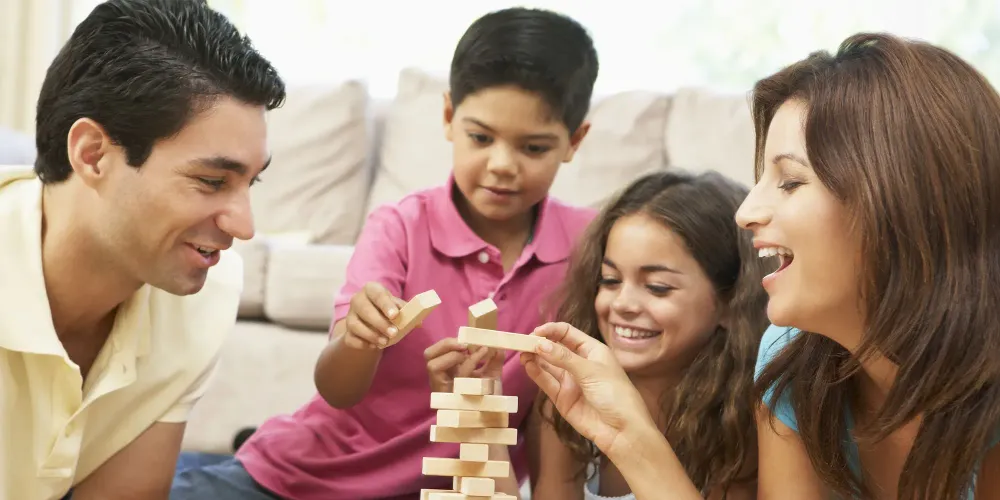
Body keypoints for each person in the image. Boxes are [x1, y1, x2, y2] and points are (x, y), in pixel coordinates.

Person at [521, 32, 1000, 500]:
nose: (746, 211)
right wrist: (627, 433)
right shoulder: (792, 359)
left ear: (900, 202)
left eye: (790, 181)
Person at [170, 7, 599, 499]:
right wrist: (359, 339)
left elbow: (557, 429)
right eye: (481, 137)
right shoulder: (399, 228)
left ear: (574, 141)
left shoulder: (585, 248)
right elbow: (338, 389)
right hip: (301, 479)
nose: (502, 165)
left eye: (534, 148)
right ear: (447, 118)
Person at [0, 0, 285, 499]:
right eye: (211, 180)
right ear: (93, 155)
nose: (244, 226)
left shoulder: (206, 293)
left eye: (250, 183)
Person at [530, 170, 769, 500]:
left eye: (658, 288)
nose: (623, 304)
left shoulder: (740, 418)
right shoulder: (568, 392)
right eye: (610, 280)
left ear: (730, 302)